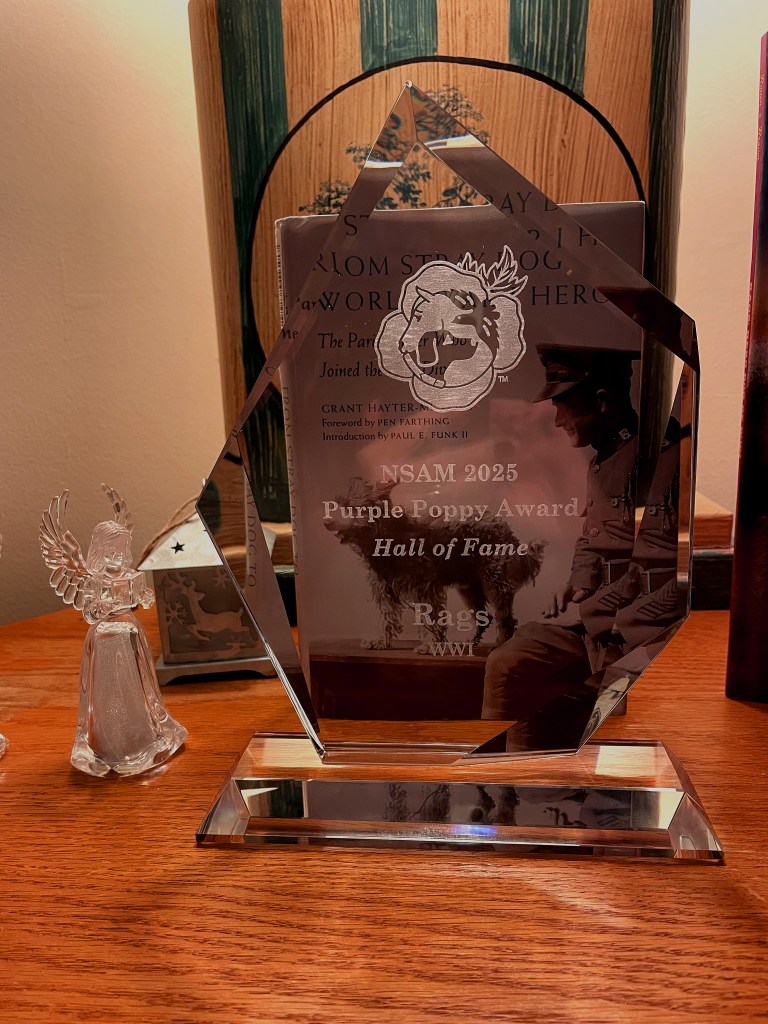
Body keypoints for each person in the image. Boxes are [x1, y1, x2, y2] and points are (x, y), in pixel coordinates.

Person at [481, 346, 640, 722]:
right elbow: (594, 534)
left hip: (629, 631)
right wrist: (578, 584)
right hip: (595, 619)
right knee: (506, 662)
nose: (556, 422)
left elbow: (657, 566)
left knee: (610, 715)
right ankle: (501, 760)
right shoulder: (605, 458)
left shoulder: (655, 461)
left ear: (601, 401)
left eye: (562, 407)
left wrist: (595, 611)